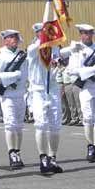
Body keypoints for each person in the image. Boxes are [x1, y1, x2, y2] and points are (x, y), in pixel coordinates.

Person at [62, 24, 95, 162]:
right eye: (84, 33)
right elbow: (71, 70)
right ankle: (90, 147)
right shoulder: (77, 50)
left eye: (89, 33)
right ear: (80, 34)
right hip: (86, 88)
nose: (87, 35)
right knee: (88, 118)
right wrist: (88, 72)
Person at [27, 23, 63, 174]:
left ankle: (52, 157)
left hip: (53, 89)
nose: (45, 35)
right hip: (39, 90)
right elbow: (34, 50)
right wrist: (43, 41)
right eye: (41, 33)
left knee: (55, 125)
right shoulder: (33, 49)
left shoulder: (55, 48)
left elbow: (59, 58)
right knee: (41, 124)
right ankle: (43, 158)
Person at [0, 29, 28, 170]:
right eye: (11, 37)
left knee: (19, 126)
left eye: (15, 37)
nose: (14, 40)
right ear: (5, 40)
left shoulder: (22, 55)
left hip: (20, 93)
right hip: (8, 95)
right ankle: (12, 152)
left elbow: (27, 73)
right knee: (10, 124)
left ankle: (18, 151)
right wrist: (11, 77)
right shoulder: (0, 57)